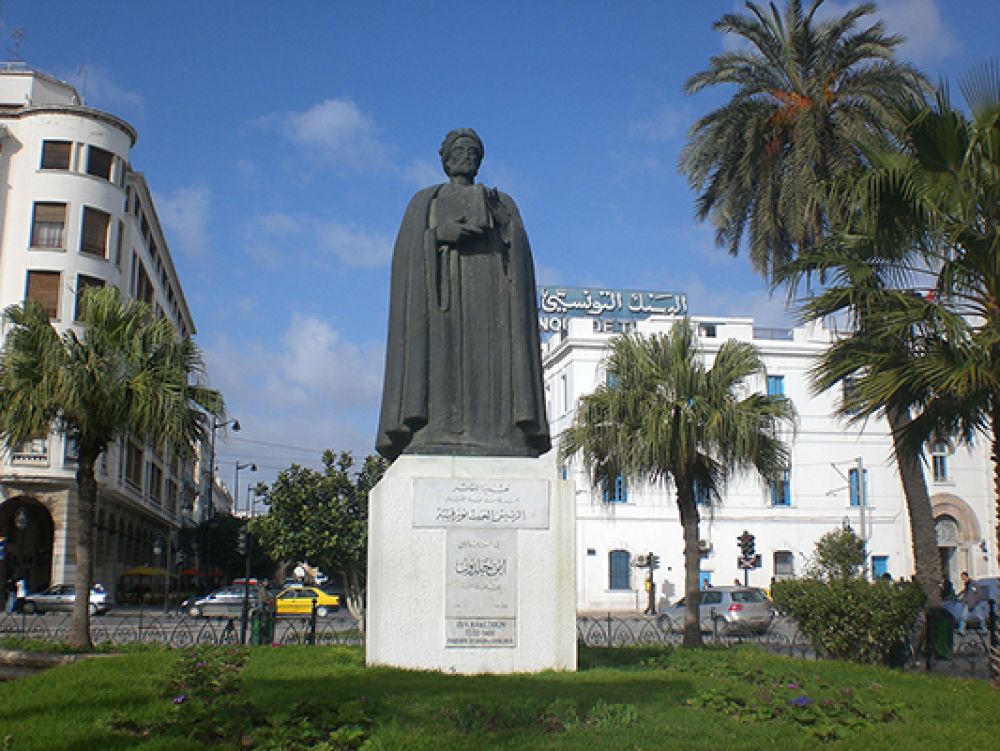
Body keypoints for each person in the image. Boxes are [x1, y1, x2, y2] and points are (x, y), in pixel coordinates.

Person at [376, 128, 550, 461]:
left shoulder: (502, 200)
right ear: (445, 158)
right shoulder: (426, 200)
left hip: (491, 298)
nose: (467, 155)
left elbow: (522, 259)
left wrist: (504, 224)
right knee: (441, 360)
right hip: (441, 300)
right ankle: (434, 430)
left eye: (473, 151)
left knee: (493, 363)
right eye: (460, 149)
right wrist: (441, 234)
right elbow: (406, 258)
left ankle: (501, 433)